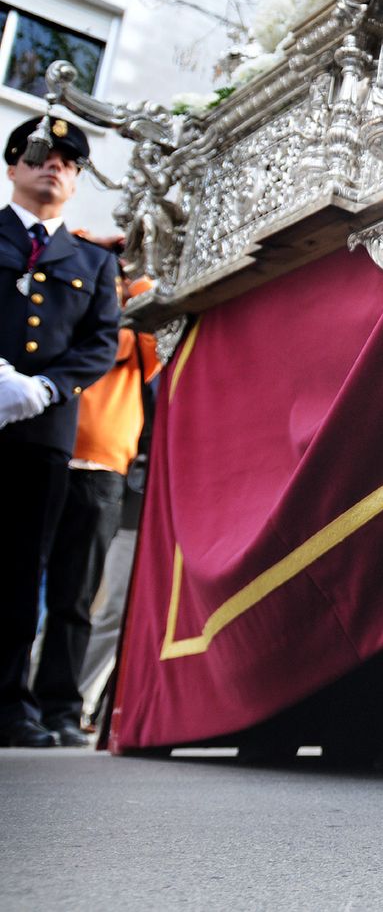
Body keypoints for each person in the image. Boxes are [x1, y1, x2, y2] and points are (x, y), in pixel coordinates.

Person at [0, 116, 121, 748]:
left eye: (70, 163)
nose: (56, 167)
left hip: (43, 430)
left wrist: (46, 388)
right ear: (14, 165)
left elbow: (100, 343)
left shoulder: (94, 262)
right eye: (43, 155)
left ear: (75, 182)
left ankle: (9, 704)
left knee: (23, 571)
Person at [35, 271, 160, 743]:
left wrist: (135, 273)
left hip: (102, 467)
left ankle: (61, 709)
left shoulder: (126, 332)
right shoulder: (55, 314)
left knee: (78, 599)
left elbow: (156, 329)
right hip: (39, 450)